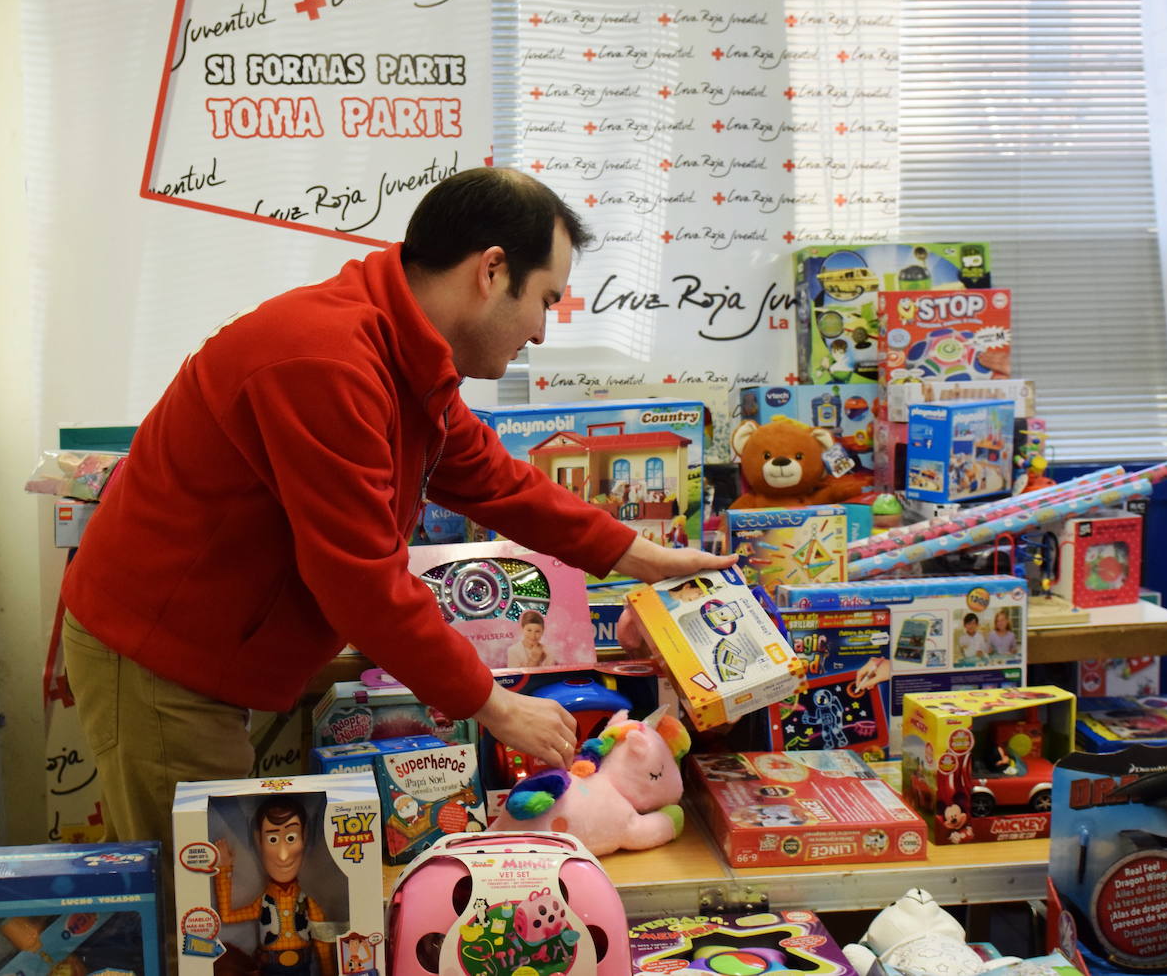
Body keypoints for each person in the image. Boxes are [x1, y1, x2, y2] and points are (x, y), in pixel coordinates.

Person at [59, 167, 734, 850]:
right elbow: (362, 581)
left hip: (210, 651)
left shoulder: (404, 351)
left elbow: (495, 479)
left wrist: (643, 557)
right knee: (201, 907)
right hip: (159, 658)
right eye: (546, 300)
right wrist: (495, 704)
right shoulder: (328, 360)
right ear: (492, 271)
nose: (540, 332)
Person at [213, 796, 334, 976]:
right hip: (270, 968)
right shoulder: (263, 903)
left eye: (291, 837)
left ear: (305, 836)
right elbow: (227, 916)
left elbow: (322, 945)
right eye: (273, 840)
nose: (283, 855)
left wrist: (329, 972)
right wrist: (224, 869)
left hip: (303, 968)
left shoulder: (308, 903)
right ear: (258, 840)